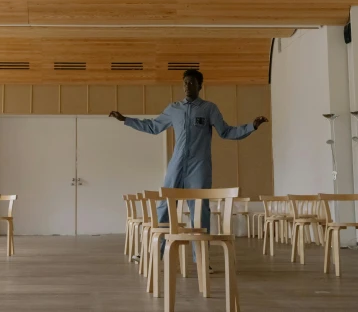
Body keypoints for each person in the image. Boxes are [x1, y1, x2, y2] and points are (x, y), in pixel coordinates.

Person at [109, 69, 268, 269]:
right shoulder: (174, 108)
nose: (187, 86)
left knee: (200, 211)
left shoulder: (209, 109)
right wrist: (126, 120)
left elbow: (226, 131)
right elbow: (153, 126)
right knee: (164, 207)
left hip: (199, 166)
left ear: (200, 86)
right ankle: (152, 254)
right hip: (176, 165)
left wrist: (251, 127)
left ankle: (201, 260)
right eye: (185, 83)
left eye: (192, 83)